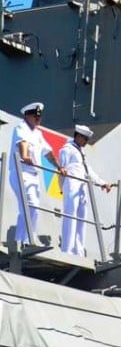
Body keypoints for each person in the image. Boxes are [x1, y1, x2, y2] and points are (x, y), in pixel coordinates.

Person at [58, 124, 111, 256]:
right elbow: (61, 170)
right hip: (71, 184)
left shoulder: (81, 151)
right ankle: (67, 249)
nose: (87, 141)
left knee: (82, 218)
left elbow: (88, 171)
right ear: (78, 136)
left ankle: (78, 250)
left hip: (82, 185)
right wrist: (62, 188)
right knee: (70, 216)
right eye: (85, 138)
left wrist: (101, 183)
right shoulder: (67, 149)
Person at [9, 102, 57, 244]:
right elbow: (22, 143)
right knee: (31, 207)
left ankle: (21, 240)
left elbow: (48, 153)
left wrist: (59, 167)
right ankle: (28, 240)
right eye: (35, 117)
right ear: (27, 116)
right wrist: (24, 156)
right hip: (21, 172)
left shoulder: (38, 133)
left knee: (30, 209)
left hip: (33, 176)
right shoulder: (21, 127)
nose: (38, 119)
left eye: (39, 117)